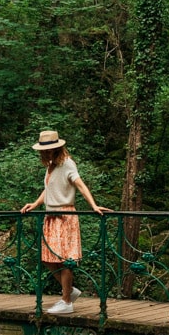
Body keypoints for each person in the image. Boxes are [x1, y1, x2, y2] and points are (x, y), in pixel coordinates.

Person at [21, 129, 109, 314]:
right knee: (48, 259)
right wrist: (35, 204)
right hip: (50, 218)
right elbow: (49, 189)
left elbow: (80, 185)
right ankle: (69, 289)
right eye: (44, 150)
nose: (46, 152)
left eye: (49, 149)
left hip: (65, 217)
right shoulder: (51, 166)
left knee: (64, 260)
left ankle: (66, 301)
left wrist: (93, 205)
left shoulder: (67, 164)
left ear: (58, 148)